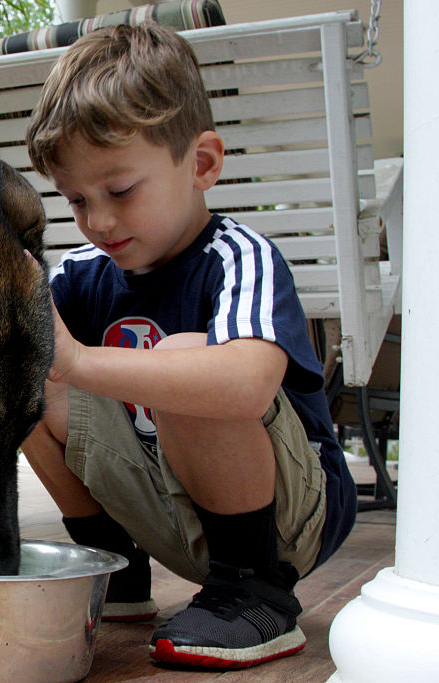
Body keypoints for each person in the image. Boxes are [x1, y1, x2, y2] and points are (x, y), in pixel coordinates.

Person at [21, 23, 357, 669]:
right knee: (24, 376)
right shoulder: (84, 273)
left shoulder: (237, 258)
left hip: (288, 519)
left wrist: (84, 360)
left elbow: (246, 382)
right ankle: (114, 570)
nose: (98, 221)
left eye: (119, 191)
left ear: (201, 163)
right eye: (76, 200)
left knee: (180, 359)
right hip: (165, 498)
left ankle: (255, 592)